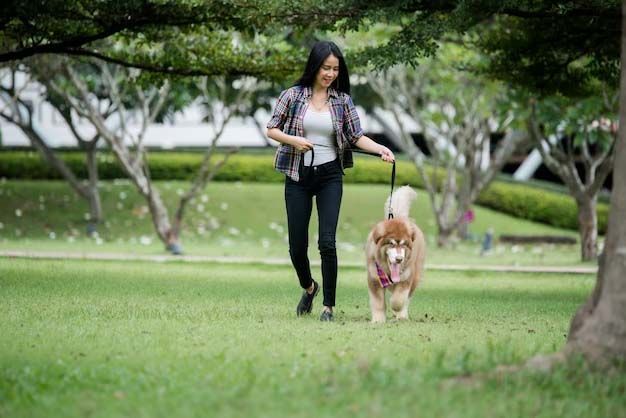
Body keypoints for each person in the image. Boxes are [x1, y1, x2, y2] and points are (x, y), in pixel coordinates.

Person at [266, 41, 395, 322]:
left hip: (329, 176)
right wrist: (295, 140)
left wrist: (381, 149)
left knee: (327, 242)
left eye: (335, 69)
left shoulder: (342, 100)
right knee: (297, 247)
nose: (331, 73)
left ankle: (328, 307)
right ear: (315, 66)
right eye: (326, 68)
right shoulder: (292, 95)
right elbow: (272, 129)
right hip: (298, 175)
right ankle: (310, 287)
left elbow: (355, 136)